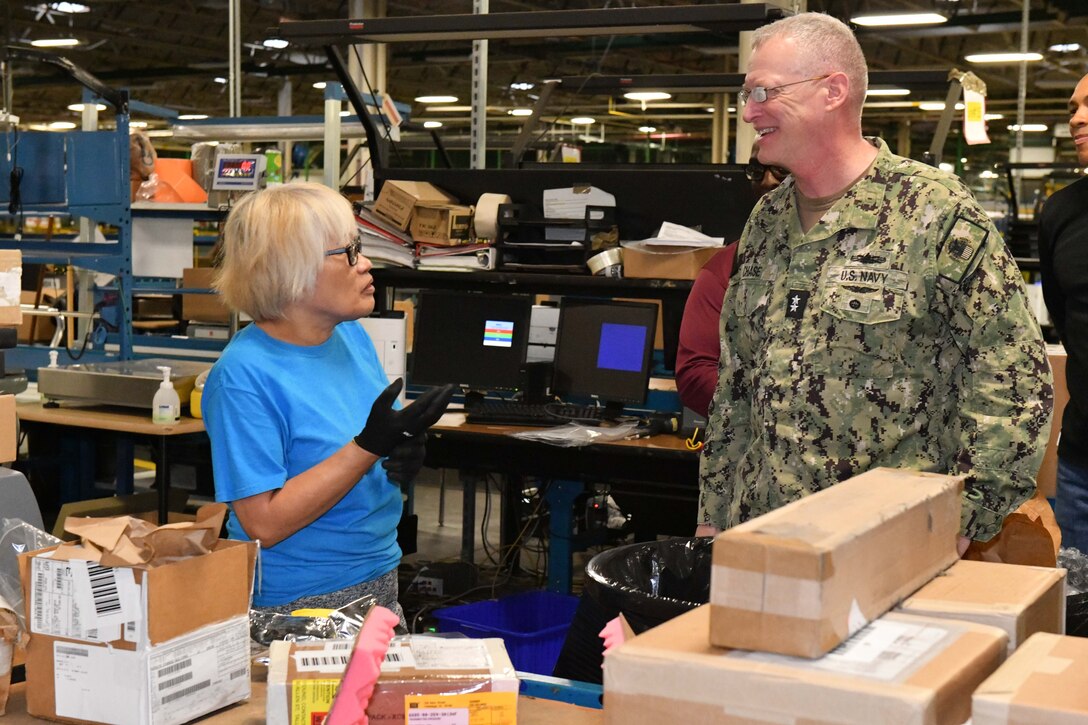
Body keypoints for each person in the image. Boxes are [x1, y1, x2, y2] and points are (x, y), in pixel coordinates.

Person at [697, 12, 1053, 555]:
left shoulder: (932, 213)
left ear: (832, 91)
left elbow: (1014, 375)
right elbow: (736, 385)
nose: (749, 113)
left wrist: (964, 519)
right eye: (747, 95)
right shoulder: (766, 222)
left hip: (886, 546)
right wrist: (713, 517)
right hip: (764, 539)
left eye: (764, 92)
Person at [203, 181, 454, 618]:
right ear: (291, 270)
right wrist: (367, 448)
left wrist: (400, 452)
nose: (367, 264)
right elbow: (264, 523)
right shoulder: (243, 376)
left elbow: (365, 447)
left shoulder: (350, 338)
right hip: (297, 601)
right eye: (350, 253)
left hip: (378, 573)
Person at [675, 147, 786, 417]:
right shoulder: (726, 267)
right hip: (753, 444)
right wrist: (776, 411)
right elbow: (694, 372)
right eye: (757, 171)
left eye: (782, 170)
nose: (768, 181)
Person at [1039, 72, 1088, 553]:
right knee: (1077, 618)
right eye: (1072, 107)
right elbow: (1066, 318)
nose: (1077, 118)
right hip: (1081, 466)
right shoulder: (1061, 213)